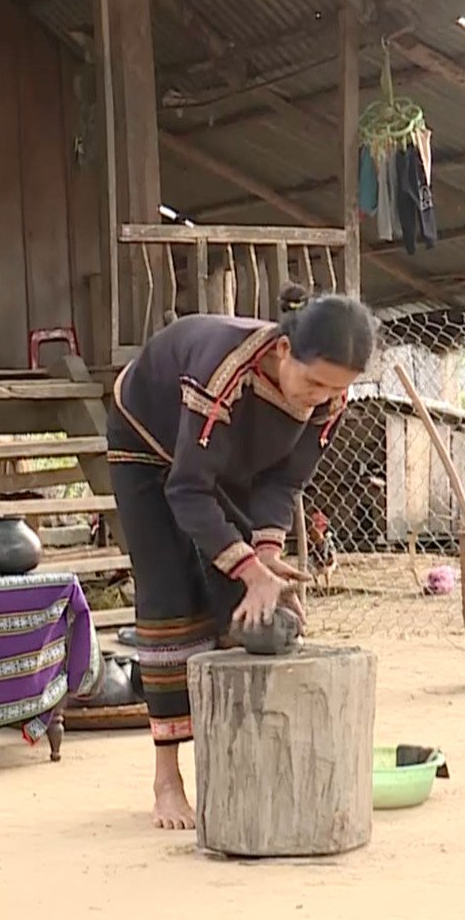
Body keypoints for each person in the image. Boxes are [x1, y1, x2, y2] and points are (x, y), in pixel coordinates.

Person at [107, 285, 374, 830]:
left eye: (335, 389)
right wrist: (247, 566)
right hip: (148, 444)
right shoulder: (224, 372)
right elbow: (185, 489)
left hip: (218, 461)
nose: (320, 397)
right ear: (282, 352)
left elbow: (283, 483)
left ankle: (236, 766)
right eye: (314, 381)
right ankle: (167, 780)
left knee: (241, 603)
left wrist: (266, 557)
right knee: (169, 601)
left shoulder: (330, 397)